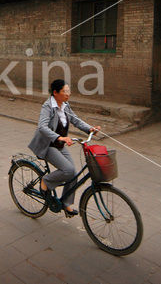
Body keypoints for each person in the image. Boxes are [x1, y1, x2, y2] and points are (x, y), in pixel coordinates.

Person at [28, 79, 101, 217]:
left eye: (68, 91)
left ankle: (66, 203)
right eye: (65, 91)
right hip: (47, 145)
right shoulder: (47, 106)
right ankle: (46, 181)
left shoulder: (65, 105)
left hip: (59, 146)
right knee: (68, 170)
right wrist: (60, 137)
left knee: (72, 173)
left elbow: (75, 119)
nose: (68, 94)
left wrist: (90, 129)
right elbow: (42, 127)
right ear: (55, 93)